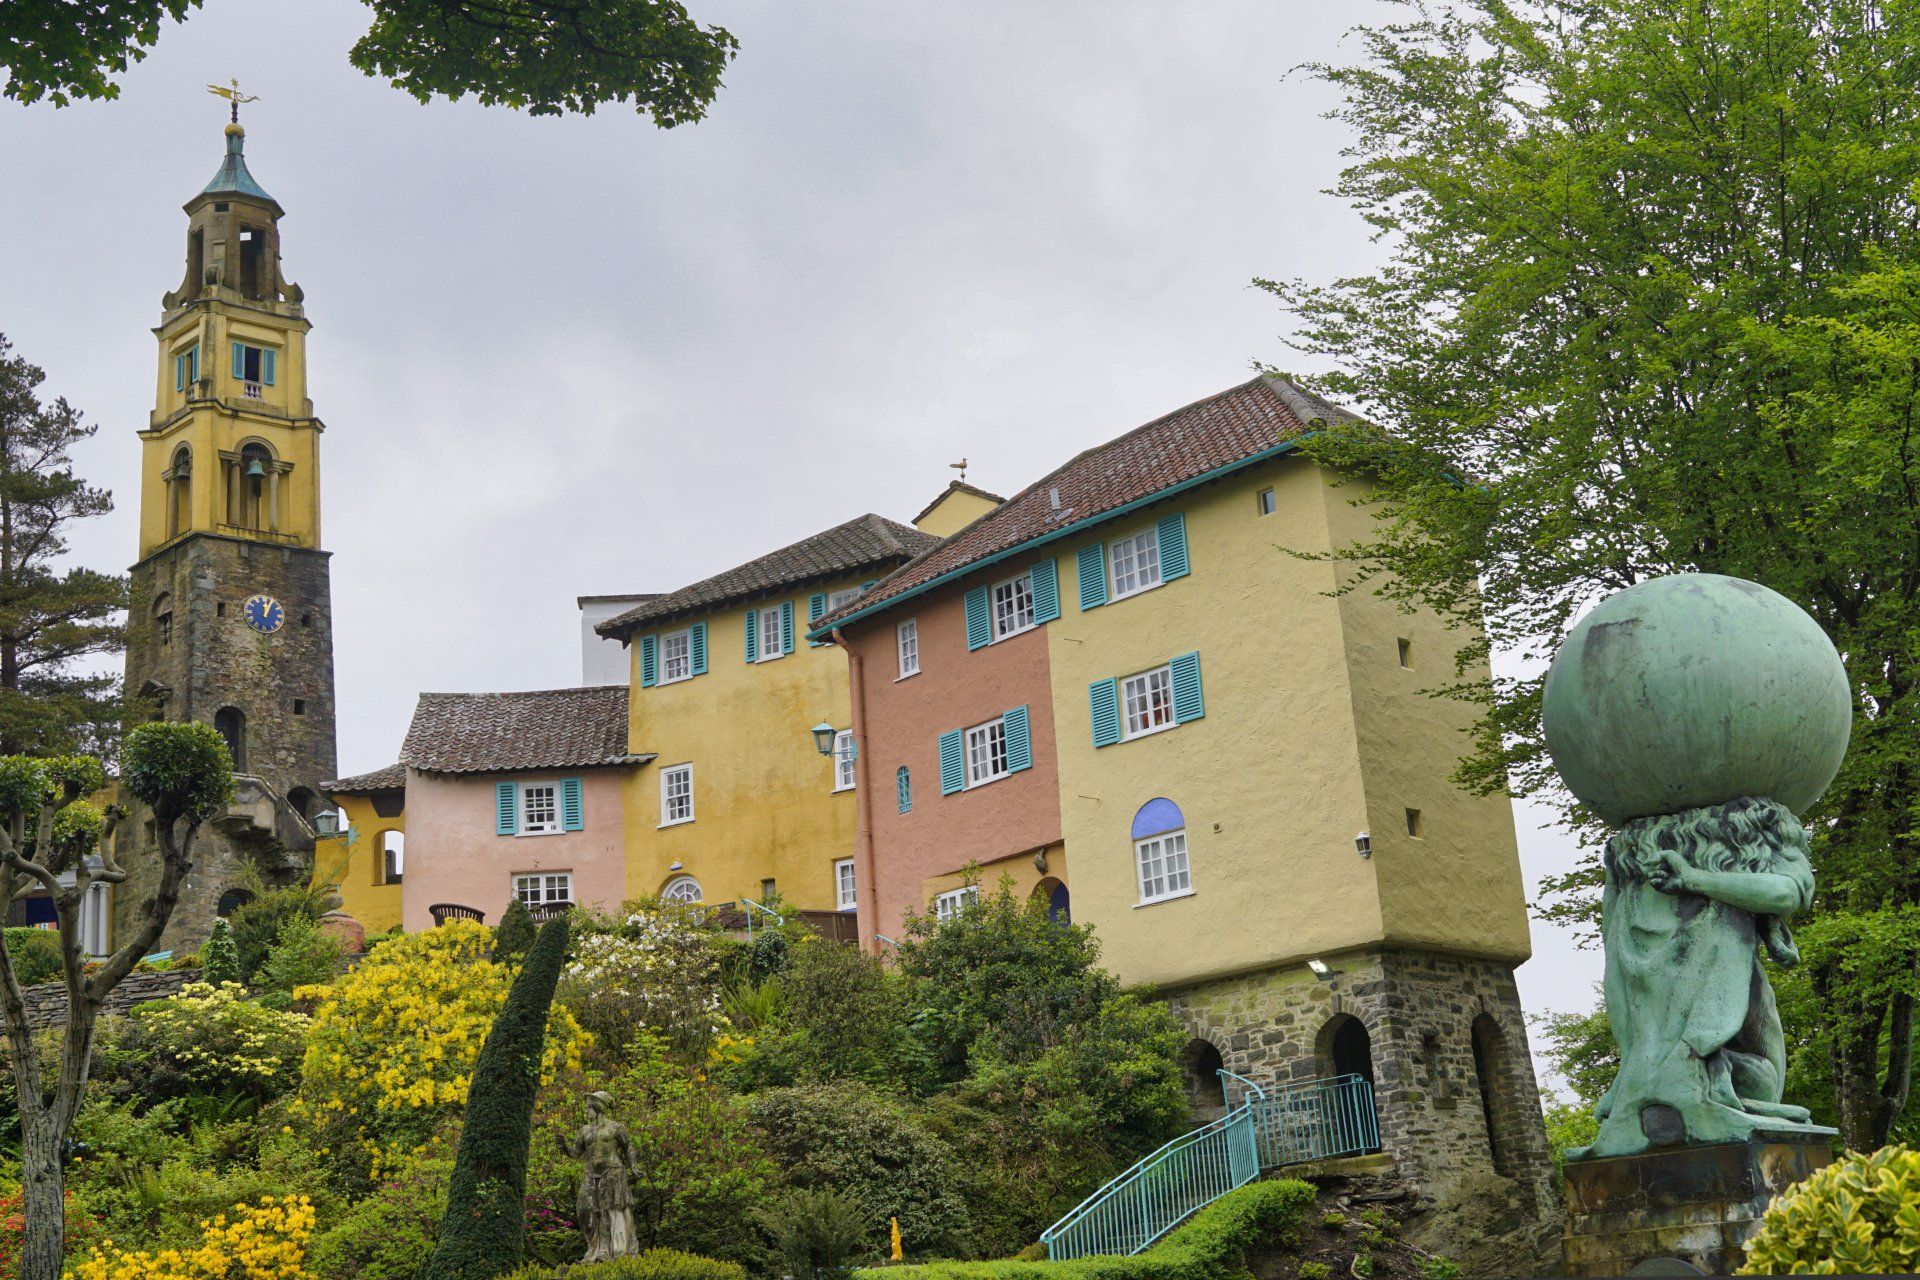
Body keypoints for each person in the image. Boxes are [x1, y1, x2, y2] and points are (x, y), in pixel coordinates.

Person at [1583, 796, 1821, 1158]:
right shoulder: (1756, 834)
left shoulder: (1637, 855)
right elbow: (1787, 891)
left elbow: (1785, 893)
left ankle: (1688, 1084)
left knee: (1762, 1082)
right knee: (1764, 1081)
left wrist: (1693, 878)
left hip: (1677, 1012)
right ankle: (1693, 1081)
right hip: (1672, 1007)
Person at [567, 1090, 638, 1261]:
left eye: (588, 1108)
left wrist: (634, 1167)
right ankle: (594, 1247)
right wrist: (563, 1147)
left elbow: (628, 1147)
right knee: (584, 1209)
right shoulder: (585, 1131)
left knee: (609, 1212)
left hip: (613, 1172)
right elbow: (575, 1153)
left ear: (597, 1107)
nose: (586, 1111)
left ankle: (608, 1251)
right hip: (591, 1175)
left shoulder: (616, 1128)